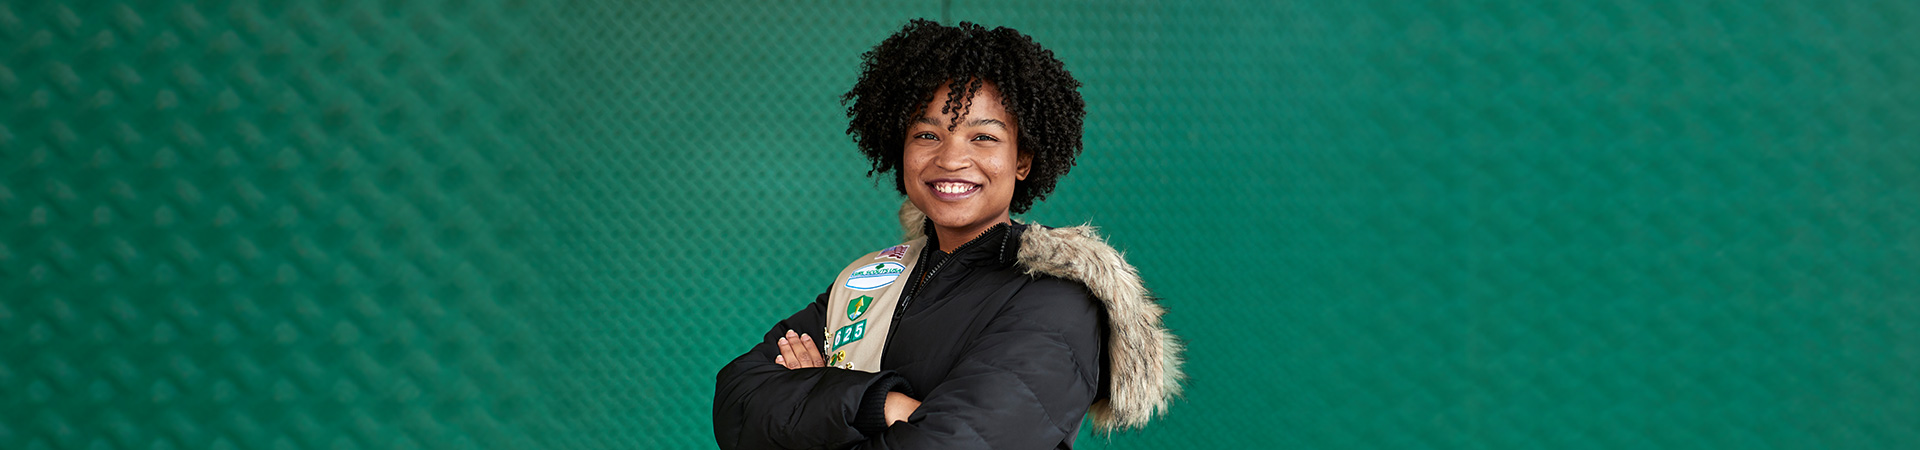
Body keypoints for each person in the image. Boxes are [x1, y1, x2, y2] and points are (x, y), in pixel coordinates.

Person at [713, 19, 1182, 450]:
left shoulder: (1055, 300)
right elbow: (738, 400)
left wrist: (814, 395)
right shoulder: (872, 276)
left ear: (1023, 161)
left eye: (984, 138)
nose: (951, 159)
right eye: (927, 135)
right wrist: (885, 405)